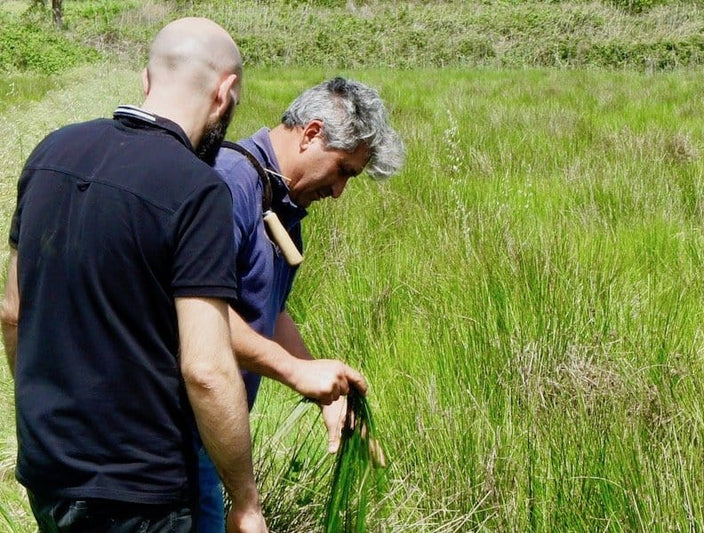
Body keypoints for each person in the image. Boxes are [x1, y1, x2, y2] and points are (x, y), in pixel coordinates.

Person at [1, 17, 268, 533]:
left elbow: (13, 312)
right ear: (225, 93)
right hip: (141, 498)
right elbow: (207, 371)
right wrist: (245, 502)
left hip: (47, 475)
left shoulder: (49, 153)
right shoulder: (197, 190)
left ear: (146, 80)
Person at [193, 76, 404, 532]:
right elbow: (196, 312)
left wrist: (324, 394)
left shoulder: (281, 203)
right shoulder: (229, 185)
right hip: (172, 439)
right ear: (311, 134)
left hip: (207, 439)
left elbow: (269, 309)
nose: (339, 191)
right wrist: (295, 372)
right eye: (344, 170)